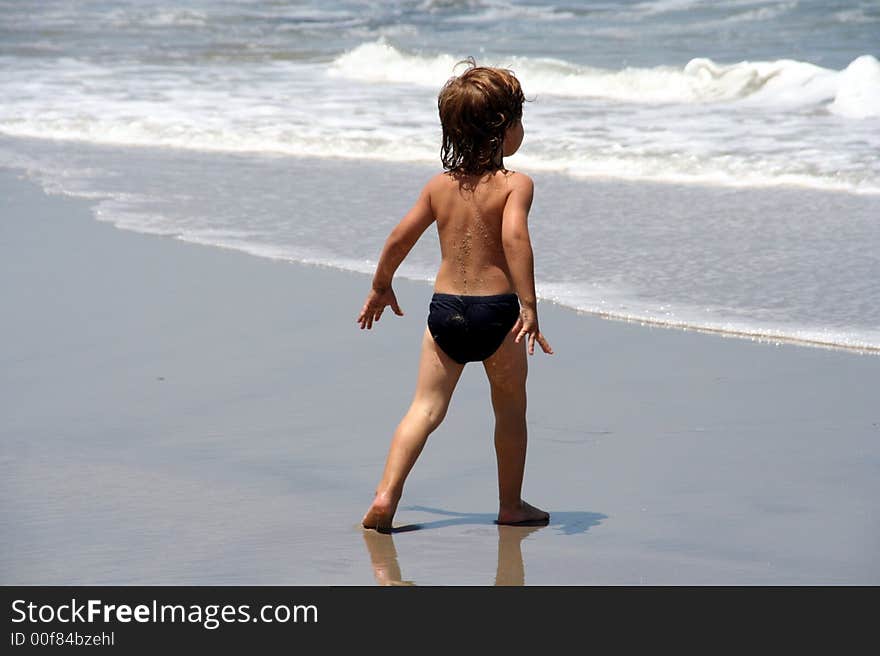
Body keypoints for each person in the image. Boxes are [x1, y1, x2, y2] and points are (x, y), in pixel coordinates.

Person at [357, 60, 553, 532]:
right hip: (498, 314)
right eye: (519, 120)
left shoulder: (439, 186)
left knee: (424, 410)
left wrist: (381, 285)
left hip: (445, 312)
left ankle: (385, 496)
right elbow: (515, 240)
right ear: (504, 130)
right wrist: (528, 304)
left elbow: (399, 238)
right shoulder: (515, 184)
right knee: (509, 411)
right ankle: (511, 505)